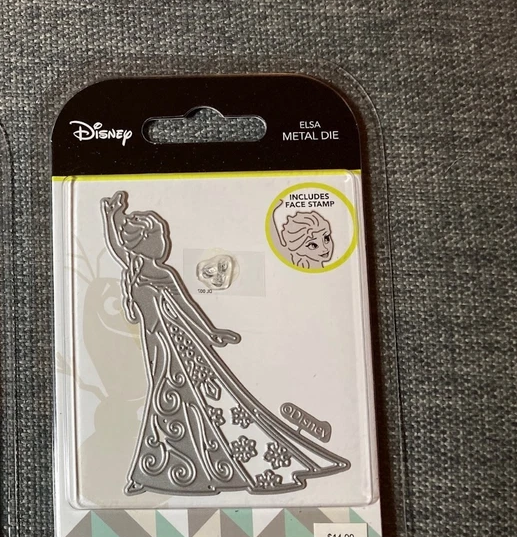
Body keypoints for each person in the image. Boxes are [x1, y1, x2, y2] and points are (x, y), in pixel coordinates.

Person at [100, 191, 349, 496]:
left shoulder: (162, 273)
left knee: (190, 399)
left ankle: (190, 468)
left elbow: (187, 308)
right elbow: (118, 247)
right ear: (144, 242)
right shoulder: (136, 268)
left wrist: (210, 333)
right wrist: (110, 217)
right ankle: (167, 468)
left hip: (180, 346)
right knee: (171, 399)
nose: (163, 242)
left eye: (163, 235)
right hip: (159, 345)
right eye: (158, 236)